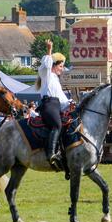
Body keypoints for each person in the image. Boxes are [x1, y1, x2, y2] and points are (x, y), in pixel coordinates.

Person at [35, 39, 72, 170]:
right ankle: (51, 154)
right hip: (48, 105)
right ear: (54, 65)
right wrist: (49, 50)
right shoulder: (47, 74)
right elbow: (46, 63)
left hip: (56, 105)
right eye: (61, 66)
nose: (62, 69)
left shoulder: (55, 80)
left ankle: (63, 152)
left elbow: (62, 100)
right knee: (57, 125)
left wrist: (71, 105)